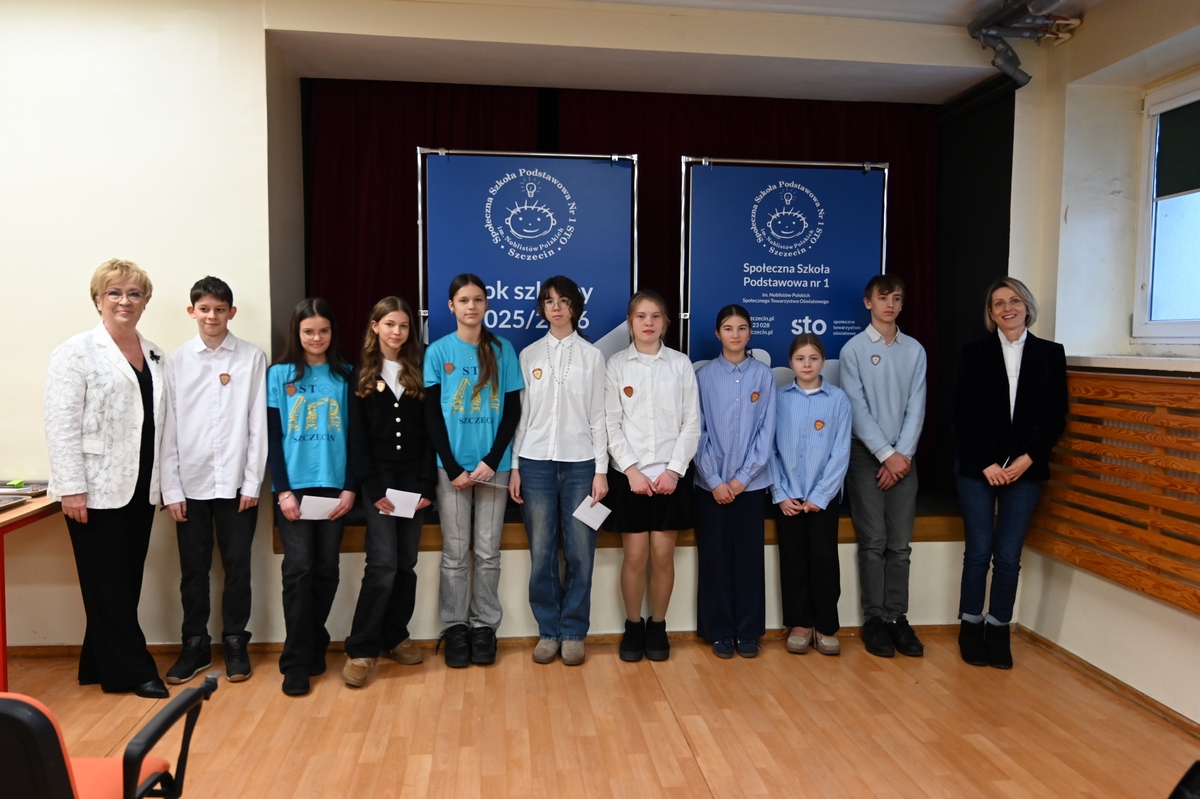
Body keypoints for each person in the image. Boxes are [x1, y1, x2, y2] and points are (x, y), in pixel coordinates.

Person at [43, 258, 169, 698]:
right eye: (114, 292)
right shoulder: (76, 351)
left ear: (145, 302)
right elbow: (60, 424)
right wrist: (72, 488)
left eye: (134, 293)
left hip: (140, 486)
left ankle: (95, 664)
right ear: (98, 300)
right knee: (109, 582)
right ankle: (132, 672)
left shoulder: (154, 353)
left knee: (124, 580)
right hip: (93, 489)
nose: (124, 301)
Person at [953, 277, 1067, 669]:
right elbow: (961, 415)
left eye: (1014, 301)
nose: (1007, 308)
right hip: (977, 470)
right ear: (991, 313)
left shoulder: (1050, 354)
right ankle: (970, 626)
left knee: (1008, 556)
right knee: (978, 552)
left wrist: (1027, 459)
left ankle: (999, 629)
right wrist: (986, 463)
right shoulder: (972, 354)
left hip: (1025, 471)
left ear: (1027, 306)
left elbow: (1055, 416)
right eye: (999, 303)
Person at [161, 276, 267, 685]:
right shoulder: (176, 362)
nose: (212, 316)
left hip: (237, 485)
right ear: (192, 312)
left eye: (220, 309)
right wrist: (171, 489)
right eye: (204, 309)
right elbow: (169, 429)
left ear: (231, 312)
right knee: (194, 570)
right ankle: (195, 644)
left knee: (238, 566)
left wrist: (252, 482)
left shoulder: (251, 358)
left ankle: (236, 641)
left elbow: (257, 424)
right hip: (190, 485)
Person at [424, 274, 523, 668]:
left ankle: (484, 626)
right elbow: (431, 414)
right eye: (463, 300)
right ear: (451, 306)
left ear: (486, 304)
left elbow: (512, 410)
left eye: (478, 299)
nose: (471, 306)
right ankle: (455, 627)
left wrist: (492, 460)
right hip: (450, 470)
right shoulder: (438, 351)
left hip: (493, 467)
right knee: (454, 552)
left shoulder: (502, 349)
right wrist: (452, 467)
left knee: (487, 551)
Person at [509, 276, 608, 666]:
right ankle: (548, 630)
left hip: (581, 464)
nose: (556, 308)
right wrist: (515, 466)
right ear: (542, 308)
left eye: (563, 301)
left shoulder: (592, 356)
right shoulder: (529, 355)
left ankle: (573, 631)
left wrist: (601, 471)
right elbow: (522, 416)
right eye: (549, 301)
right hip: (535, 464)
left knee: (581, 551)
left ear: (575, 307)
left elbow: (599, 417)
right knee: (542, 551)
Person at [342, 296, 436, 687]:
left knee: (405, 564)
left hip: (413, 483)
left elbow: (429, 432)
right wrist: (372, 485)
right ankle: (362, 648)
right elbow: (357, 437)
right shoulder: (360, 374)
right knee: (381, 565)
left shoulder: (419, 371)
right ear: (375, 327)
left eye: (403, 325)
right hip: (379, 483)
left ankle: (395, 636)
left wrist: (427, 484)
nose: (397, 332)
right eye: (390, 324)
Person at [604, 290, 701, 663]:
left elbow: (691, 423)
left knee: (662, 554)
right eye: (641, 316)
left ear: (666, 323)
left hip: (669, 478)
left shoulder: (680, 364)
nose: (648, 323)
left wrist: (674, 471)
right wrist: (631, 471)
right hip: (630, 478)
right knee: (635, 555)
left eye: (655, 316)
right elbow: (611, 423)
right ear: (630, 322)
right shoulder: (616, 366)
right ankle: (633, 625)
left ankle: (657, 625)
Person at [267, 298, 356, 696]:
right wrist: (283, 490)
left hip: (334, 487)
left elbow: (356, 437)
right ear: (297, 333)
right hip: (295, 488)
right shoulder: (279, 374)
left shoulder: (347, 375)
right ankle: (296, 660)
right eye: (308, 331)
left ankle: (314, 638)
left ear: (332, 332)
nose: (316, 338)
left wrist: (350, 487)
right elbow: (273, 436)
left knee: (326, 569)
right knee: (298, 569)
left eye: (323, 331)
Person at [840, 274, 927, 659]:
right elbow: (856, 408)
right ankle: (874, 619)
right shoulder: (854, 350)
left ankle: (897, 618)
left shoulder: (915, 350)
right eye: (883, 298)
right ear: (868, 303)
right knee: (873, 541)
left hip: (904, 458)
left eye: (897, 298)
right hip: (866, 456)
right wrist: (884, 453)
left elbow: (917, 406)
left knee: (900, 545)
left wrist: (901, 454)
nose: (890, 305)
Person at [693, 304, 775, 659]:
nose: (736, 334)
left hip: (750, 486)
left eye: (742, 328)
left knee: (748, 559)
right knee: (714, 558)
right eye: (728, 328)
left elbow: (766, 433)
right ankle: (719, 630)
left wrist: (741, 480)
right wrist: (715, 480)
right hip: (710, 486)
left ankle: (748, 630)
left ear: (750, 332)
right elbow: (697, 432)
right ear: (718, 334)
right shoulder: (703, 376)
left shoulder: (763, 376)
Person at [770, 334, 852, 657]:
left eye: (813, 358)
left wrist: (821, 495)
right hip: (787, 496)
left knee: (824, 559)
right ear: (790, 362)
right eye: (800, 358)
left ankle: (825, 625)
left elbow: (840, 451)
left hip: (823, 498)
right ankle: (799, 624)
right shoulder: (778, 398)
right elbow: (769, 449)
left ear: (823, 361)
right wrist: (779, 492)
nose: (807, 364)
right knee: (793, 560)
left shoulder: (837, 400)